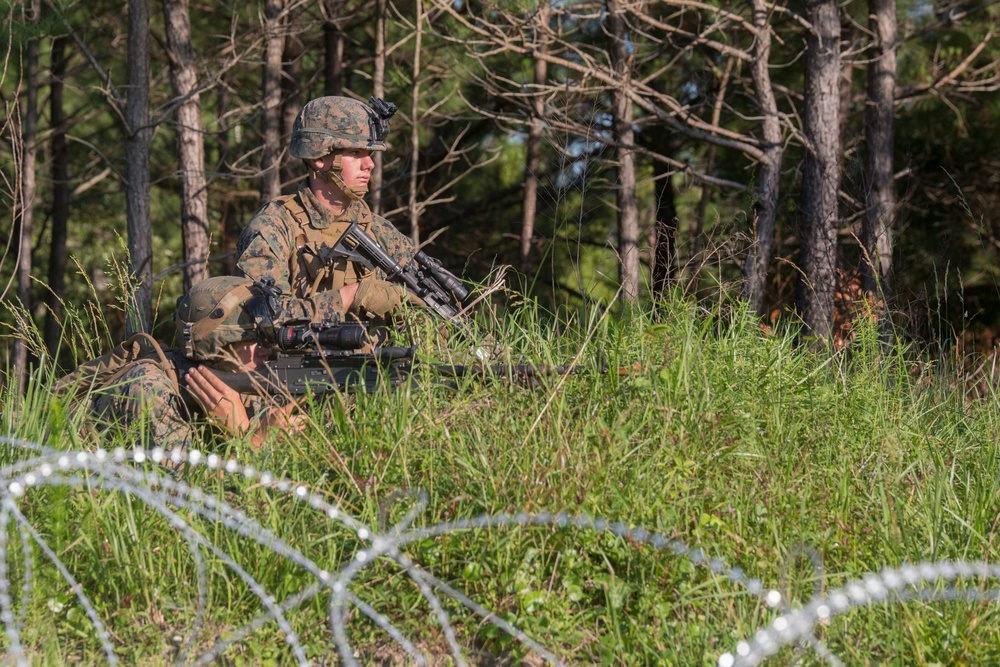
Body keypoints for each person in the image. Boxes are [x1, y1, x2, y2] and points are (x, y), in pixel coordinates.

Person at [234, 95, 417, 330]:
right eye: (357, 152)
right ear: (320, 157)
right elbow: (262, 318)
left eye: (369, 154)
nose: (369, 164)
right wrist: (349, 298)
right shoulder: (274, 227)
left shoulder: (379, 231)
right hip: (302, 365)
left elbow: (421, 306)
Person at [57, 276, 300, 452]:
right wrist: (254, 442)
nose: (269, 347)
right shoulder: (150, 391)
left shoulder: (244, 378)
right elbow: (183, 500)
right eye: (256, 339)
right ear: (219, 344)